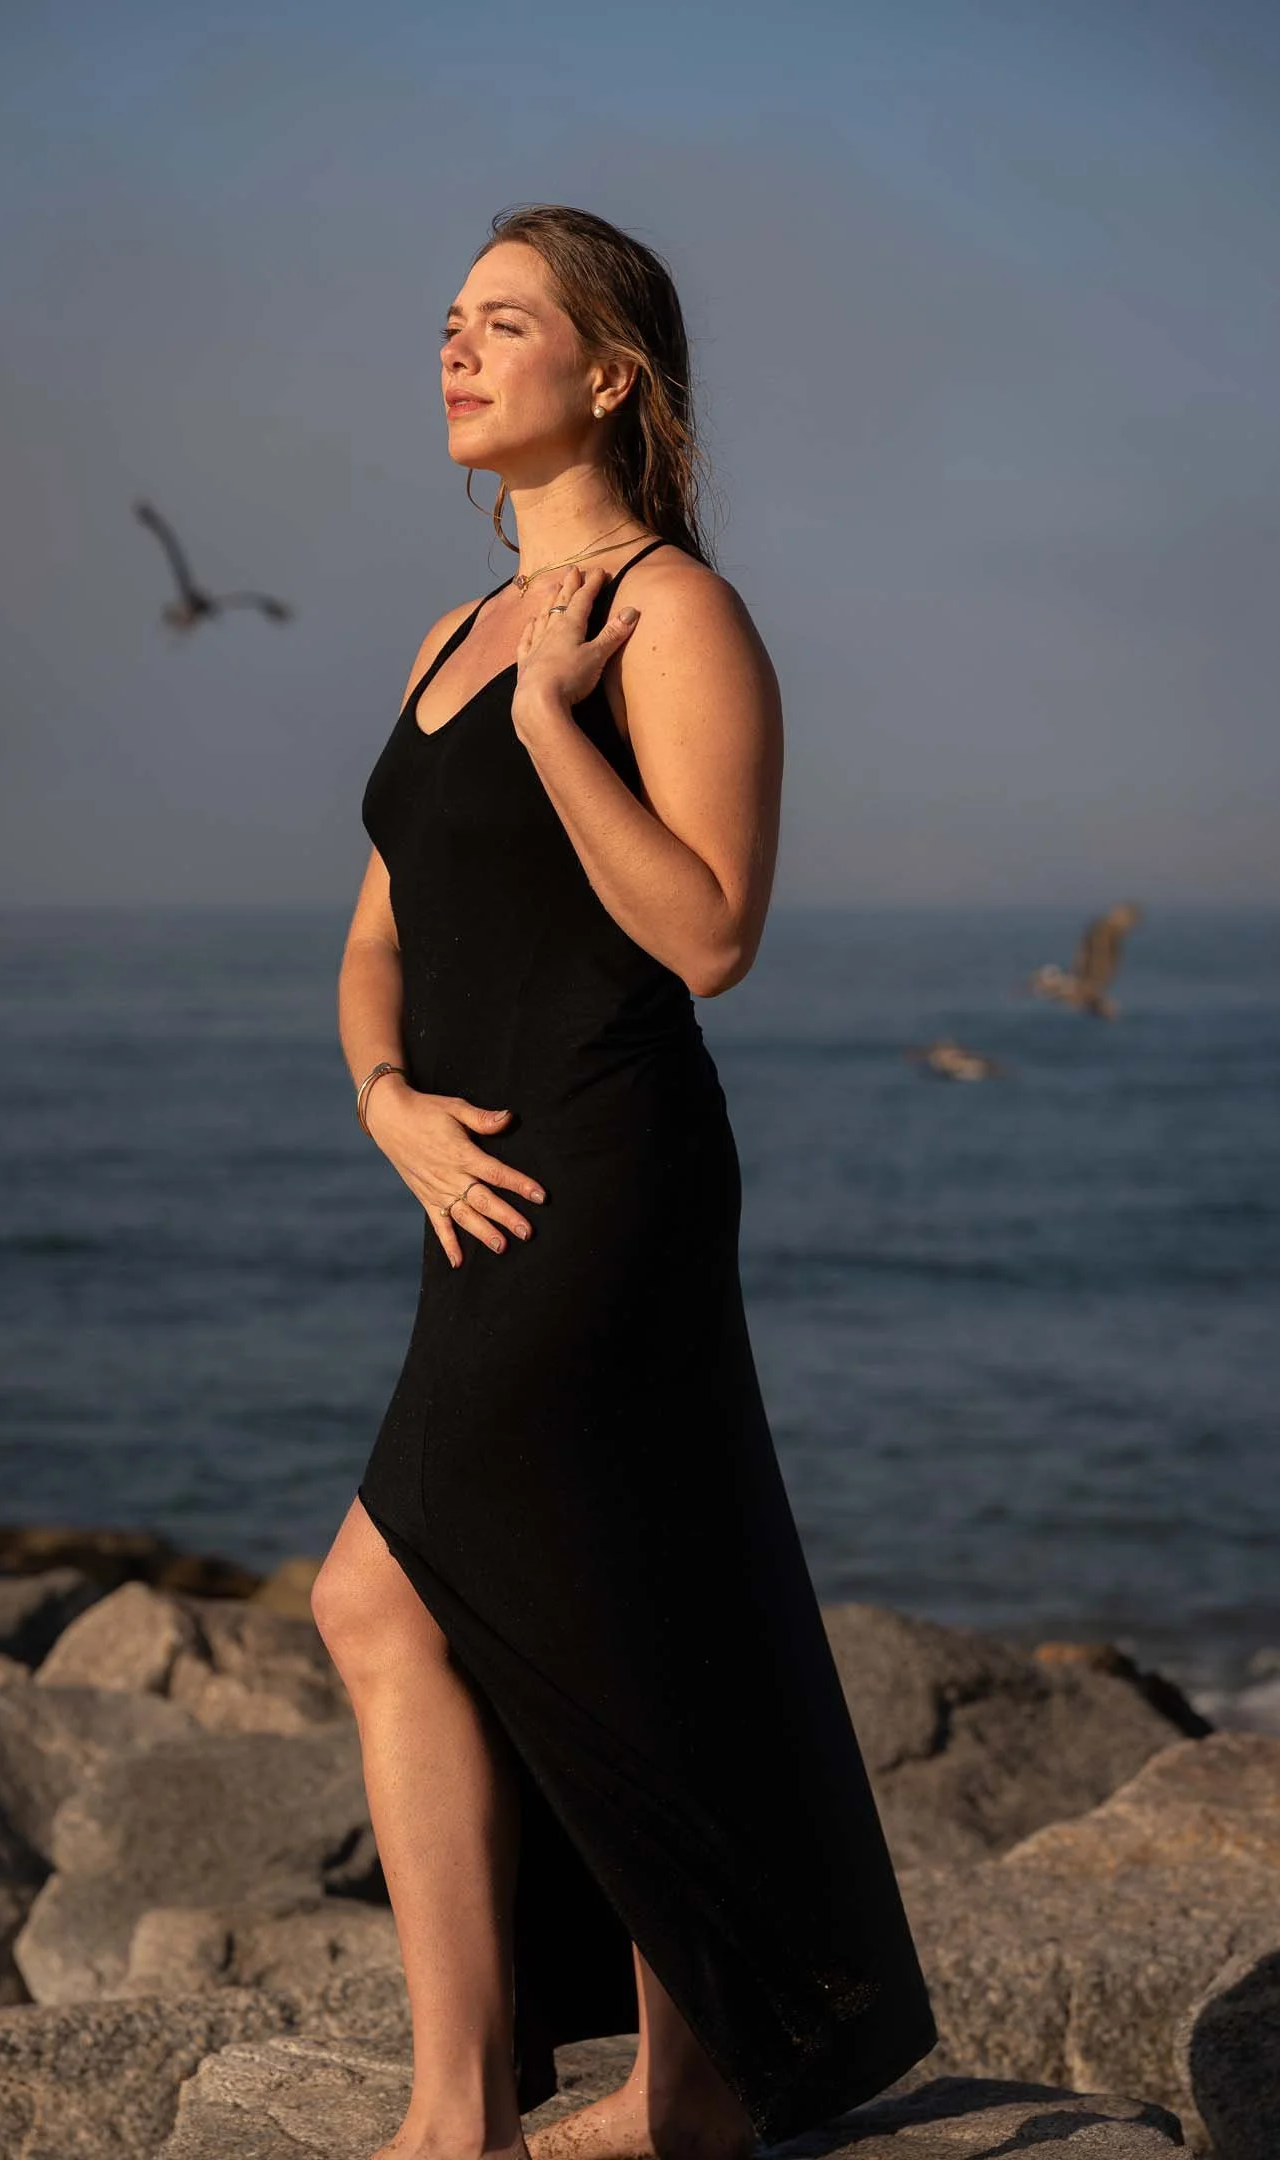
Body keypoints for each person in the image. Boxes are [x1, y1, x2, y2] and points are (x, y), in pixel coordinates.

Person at [313, 203, 935, 2160]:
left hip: (608, 1164)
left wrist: (557, 733)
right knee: (507, 1608)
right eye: (448, 320)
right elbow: (373, 937)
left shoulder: (676, 612)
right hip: (469, 1178)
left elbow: (710, 931)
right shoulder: (444, 629)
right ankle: (611, 2095)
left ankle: (504, 2112)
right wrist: (385, 1095)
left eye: (506, 322)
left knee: (402, 1595)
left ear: (611, 374)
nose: (457, 348)